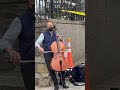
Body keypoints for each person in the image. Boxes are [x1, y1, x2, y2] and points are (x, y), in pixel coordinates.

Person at [0, 0, 35, 90]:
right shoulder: (20, 20)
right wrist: (10, 50)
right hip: (30, 68)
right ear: (28, 2)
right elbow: (4, 41)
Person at [35, 21, 69, 90]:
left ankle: (63, 82)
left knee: (62, 67)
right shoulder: (43, 34)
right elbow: (36, 43)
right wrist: (40, 47)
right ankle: (56, 84)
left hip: (56, 54)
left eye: (51, 25)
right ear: (47, 27)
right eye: (49, 25)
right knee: (51, 70)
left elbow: (62, 44)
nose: (51, 26)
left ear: (53, 26)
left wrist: (61, 39)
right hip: (48, 54)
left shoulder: (56, 34)